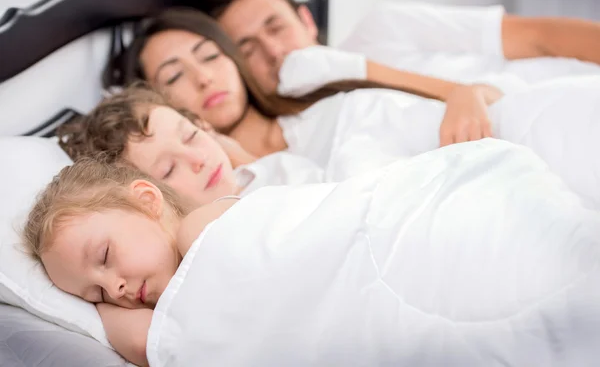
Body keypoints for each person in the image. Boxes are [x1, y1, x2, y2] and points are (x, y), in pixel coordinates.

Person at [21, 139, 600, 366]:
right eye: (95, 294)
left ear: (147, 200)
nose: (116, 290)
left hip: (430, 230)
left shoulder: (207, 227)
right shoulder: (183, 291)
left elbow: (152, 346)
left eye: (106, 257)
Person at [105, 8, 502, 160]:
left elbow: (491, 94)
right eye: (175, 75)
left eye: (210, 56)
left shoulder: (318, 85)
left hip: (497, 140)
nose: (204, 77)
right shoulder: (222, 183)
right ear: (157, 103)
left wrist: (466, 95)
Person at [210, 0, 600, 96]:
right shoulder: (305, 139)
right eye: (248, 50)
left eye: (276, 27)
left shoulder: (383, 28)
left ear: (308, 21)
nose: (274, 51)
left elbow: (539, 36)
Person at [58, 85, 324, 207]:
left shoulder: (278, 168)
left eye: (190, 136)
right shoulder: (197, 246)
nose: (197, 158)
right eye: (169, 169)